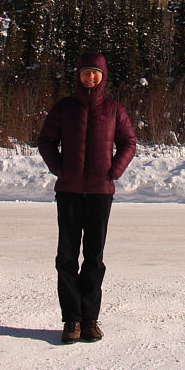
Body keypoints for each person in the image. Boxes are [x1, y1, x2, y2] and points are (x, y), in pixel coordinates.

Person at [38, 51, 136, 344]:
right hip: (68, 193)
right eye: (85, 72)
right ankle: (72, 320)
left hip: (100, 193)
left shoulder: (114, 109)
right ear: (78, 76)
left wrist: (114, 170)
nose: (90, 77)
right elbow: (45, 141)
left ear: (103, 76)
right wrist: (59, 169)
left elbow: (128, 142)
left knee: (94, 257)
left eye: (95, 72)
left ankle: (90, 319)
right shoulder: (64, 108)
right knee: (66, 257)